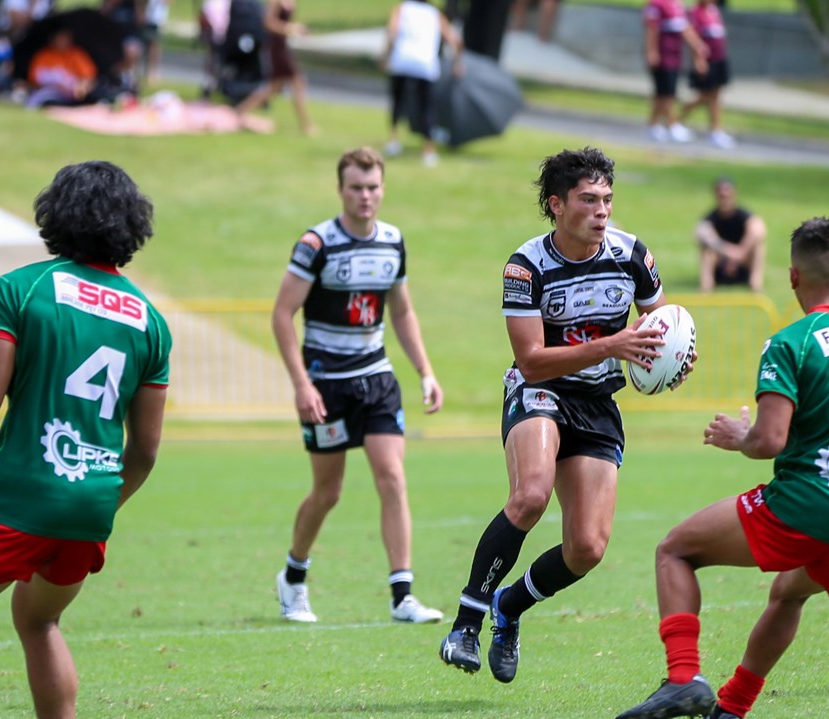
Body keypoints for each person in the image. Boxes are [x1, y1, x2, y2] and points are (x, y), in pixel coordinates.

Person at [614, 216, 829, 719]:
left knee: (674, 551)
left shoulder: (792, 342)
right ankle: (727, 715)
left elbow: (770, 442)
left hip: (804, 505)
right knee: (788, 593)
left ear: (791, 278)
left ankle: (681, 677)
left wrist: (740, 434)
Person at [0, 161, 171, 719]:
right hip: (88, 509)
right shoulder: (149, 319)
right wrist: (98, 501)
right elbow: (146, 451)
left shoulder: (21, 288)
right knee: (40, 617)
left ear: (56, 213)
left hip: (18, 495)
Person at [438, 146, 685, 683]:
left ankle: (509, 608)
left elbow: (660, 324)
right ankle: (466, 623)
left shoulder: (631, 254)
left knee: (588, 548)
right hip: (539, 390)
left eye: (608, 200)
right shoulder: (526, 266)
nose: (602, 211)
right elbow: (531, 360)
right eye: (589, 200)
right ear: (556, 205)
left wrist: (670, 359)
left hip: (598, 402)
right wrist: (613, 346)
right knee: (531, 494)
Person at [271, 146, 444, 626]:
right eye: (355, 187)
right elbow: (282, 316)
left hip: (377, 378)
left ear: (382, 188)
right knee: (328, 492)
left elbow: (402, 311)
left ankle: (402, 596)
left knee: (392, 477)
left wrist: (425, 371)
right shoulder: (316, 244)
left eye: (372, 187)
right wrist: (301, 385)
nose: (365, 196)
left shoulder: (392, 242)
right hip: (326, 384)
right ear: (340, 190)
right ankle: (293, 578)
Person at [381, 0, 463, 167]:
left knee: (398, 102)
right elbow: (454, 40)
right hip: (426, 64)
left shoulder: (402, 9)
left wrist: (386, 55)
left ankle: (393, 140)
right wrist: (457, 63)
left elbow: (392, 31)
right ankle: (428, 149)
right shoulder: (435, 14)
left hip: (402, 60)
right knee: (426, 107)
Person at [235, 0, 315, 135]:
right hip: (276, 48)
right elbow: (268, 23)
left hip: (283, 46)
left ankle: (240, 111)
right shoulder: (275, 2)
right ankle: (306, 125)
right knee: (297, 82)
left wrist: (296, 30)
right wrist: (291, 28)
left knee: (274, 87)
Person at [643, 0, 708, 143]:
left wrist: (697, 46)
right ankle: (672, 125)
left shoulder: (676, 5)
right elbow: (651, 29)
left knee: (663, 92)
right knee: (667, 92)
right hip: (663, 55)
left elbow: (685, 28)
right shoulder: (656, 5)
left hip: (674, 56)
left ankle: (652, 124)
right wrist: (651, 51)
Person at [697, 176, 767, 292]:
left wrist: (741, 252)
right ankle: (706, 286)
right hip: (721, 261)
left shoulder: (744, 215)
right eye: (721, 195)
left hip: (743, 261)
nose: (724, 197)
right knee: (707, 250)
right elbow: (702, 234)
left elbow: (759, 230)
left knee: (759, 246)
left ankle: (756, 284)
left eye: (727, 193)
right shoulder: (711, 218)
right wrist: (729, 252)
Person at [679, 0, 733, 149]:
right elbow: (692, 36)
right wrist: (699, 59)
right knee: (706, 96)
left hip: (719, 58)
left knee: (715, 95)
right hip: (707, 60)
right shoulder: (696, 13)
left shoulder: (714, 11)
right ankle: (678, 117)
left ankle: (716, 130)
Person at [24, 27, 99, 108]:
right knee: (49, 101)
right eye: (60, 38)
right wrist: (56, 86)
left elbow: (89, 76)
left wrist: (81, 86)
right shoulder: (43, 55)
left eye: (65, 38)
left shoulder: (76, 54)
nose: (62, 41)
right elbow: (34, 80)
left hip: (74, 94)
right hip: (51, 94)